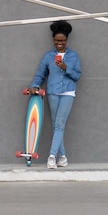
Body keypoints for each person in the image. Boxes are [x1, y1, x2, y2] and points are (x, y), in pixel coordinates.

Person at [28, 19, 82, 169]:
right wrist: (34, 86)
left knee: (59, 124)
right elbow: (40, 75)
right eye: (57, 40)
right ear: (53, 40)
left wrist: (66, 67)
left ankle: (52, 156)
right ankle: (63, 157)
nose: (59, 43)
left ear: (67, 40)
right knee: (55, 125)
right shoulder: (48, 56)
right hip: (52, 91)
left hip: (68, 92)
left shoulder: (74, 56)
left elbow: (77, 76)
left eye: (62, 40)